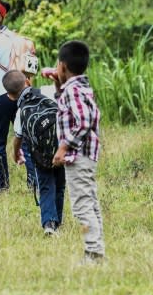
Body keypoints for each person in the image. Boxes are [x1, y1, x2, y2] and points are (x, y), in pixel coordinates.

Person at [51, 40, 105, 264]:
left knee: (82, 205)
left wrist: (63, 148)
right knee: (90, 202)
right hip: (86, 155)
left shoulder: (72, 90)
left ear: (62, 66)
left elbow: (83, 122)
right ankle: (97, 250)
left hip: (78, 156)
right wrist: (57, 87)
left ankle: (92, 253)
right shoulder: (80, 87)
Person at [0, 0, 36, 192]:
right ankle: (33, 182)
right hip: (24, 94)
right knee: (26, 138)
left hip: (2, 95)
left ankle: (3, 186)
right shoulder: (18, 38)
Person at [3, 70, 65, 236]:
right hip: (60, 148)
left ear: (10, 96)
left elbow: (18, 138)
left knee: (45, 187)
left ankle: (49, 224)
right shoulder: (47, 91)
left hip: (40, 156)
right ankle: (58, 220)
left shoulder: (21, 112)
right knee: (59, 185)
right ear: (28, 82)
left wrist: (16, 154)